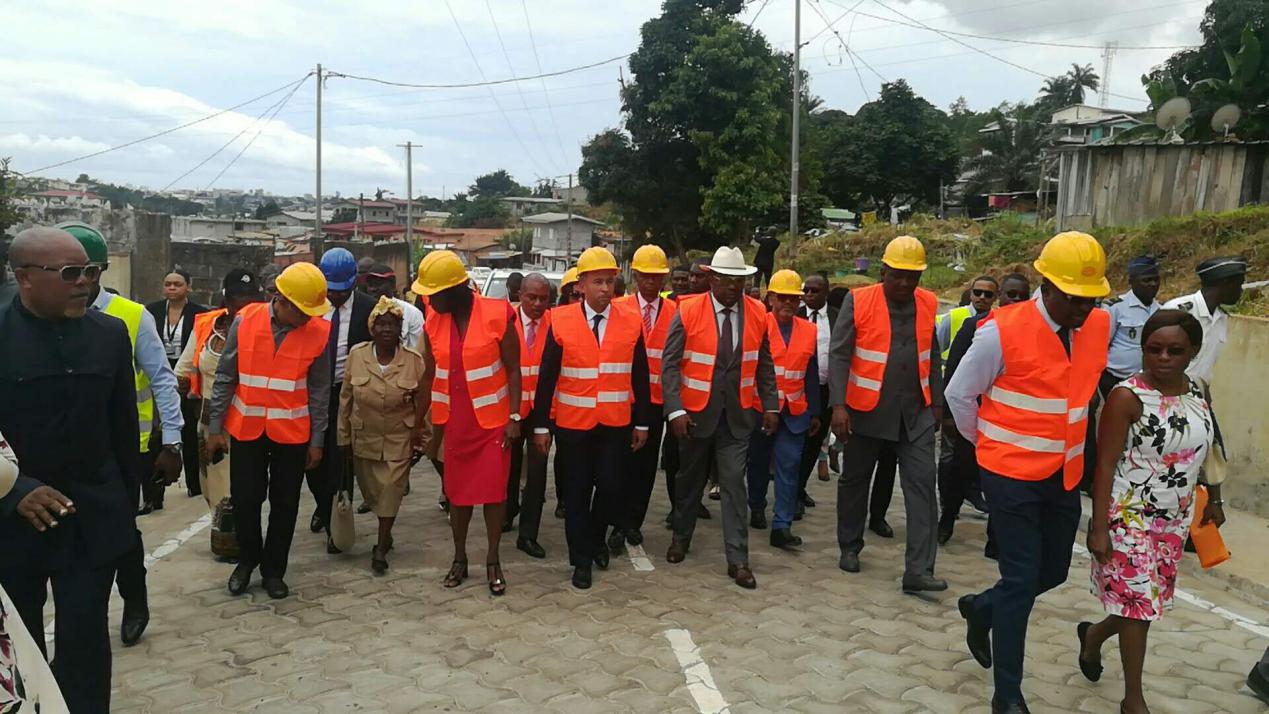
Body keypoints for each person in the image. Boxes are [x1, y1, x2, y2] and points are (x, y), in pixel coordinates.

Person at [946, 231, 1112, 714]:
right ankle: (1008, 695)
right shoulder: (1000, 330)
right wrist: (987, 446)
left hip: (1063, 474)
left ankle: (982, 607)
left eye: (1091, 299)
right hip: (1009, 475)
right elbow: (959, 395)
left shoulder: (1098, 326)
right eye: (1074, 298)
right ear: (1048, 286)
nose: (1084, 308)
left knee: (1052, 571)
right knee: (1020, 581)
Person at [0, 227, 140, 712]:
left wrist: (125, 516)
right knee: (21, 650)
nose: (85, 282)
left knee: (85, 643)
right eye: (70, 273)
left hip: (90, 520)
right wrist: (13, 490)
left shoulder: (110, 334)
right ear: (25, 277)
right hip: (13, 524)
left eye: (91, 271)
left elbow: (123, 431)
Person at [1080, 310, 1217, 714]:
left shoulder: (1199, 390)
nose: (1163, 358)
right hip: (1130, 515)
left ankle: (1094, 636)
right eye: (1154, 349)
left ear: (1193, 351)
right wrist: (1099, 527)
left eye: (1175, 351)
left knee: (1142, 604)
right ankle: (1133, 700)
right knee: (1139, 606)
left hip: (1174, 519)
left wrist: (1216, 499)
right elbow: (1104, 465)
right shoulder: (1127, 397)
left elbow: (1210, 446)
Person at [63, 222, 183, 648]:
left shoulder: (131, 316)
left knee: (121, 531)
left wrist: (172, 442)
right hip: (65, 450)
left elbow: (162, 379)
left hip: (124, 449)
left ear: (97, 272)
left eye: (82, 271)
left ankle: (134, 600)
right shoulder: (45, 315)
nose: (75, 281)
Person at [206, 262, 332, 600]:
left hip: (293, 433)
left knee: (285, 504)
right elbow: (226, 375)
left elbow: (320, 391)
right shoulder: (245, 320)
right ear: (281, 299)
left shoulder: (320, 331)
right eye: (302, 311)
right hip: (247, 428)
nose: (307, 318)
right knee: (246, 500)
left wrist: (317, 441)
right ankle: (248, 560)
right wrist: (215, 428)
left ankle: (274, 571)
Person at [829, 236, 945, 594]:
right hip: (866, 410)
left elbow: (932, 353)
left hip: (915, 414)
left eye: (913, 276)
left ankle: (919, 571)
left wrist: (937, 402)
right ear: (883, 271)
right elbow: (839, 354)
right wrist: (838, 405)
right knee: (855, 481)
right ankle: (850, 545)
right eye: (899, 275)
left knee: (923, 485)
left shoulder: (928, 302)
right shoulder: (858, 300)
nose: (906, 283)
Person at [532, 247, 652, 589]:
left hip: (615, 423)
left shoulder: (631, 320)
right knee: (576, 493)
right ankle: (581, 560)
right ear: (580, 285)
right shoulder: (560, 319)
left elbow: (640, 374)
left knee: (612, 488)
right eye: (597, 282)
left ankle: (595, 538)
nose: (604, 288)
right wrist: (541, 425)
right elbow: (547, 377)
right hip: (573, 426)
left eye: (609, 282)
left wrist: (642, 421)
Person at [662, 246, 778, 590]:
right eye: (726, 279)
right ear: (711, 278)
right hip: (695, 415)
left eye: (738, 280)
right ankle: (681, 537)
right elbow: (670, 365)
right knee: (689, 482)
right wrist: (675, 409)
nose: (732, 286)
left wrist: (771, 405)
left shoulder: (758, 312)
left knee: (733, 484)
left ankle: (738, 560)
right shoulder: (688, 310)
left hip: (737, 416)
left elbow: (765, 364)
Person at [414, 250, 521, 595]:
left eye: (434, 293)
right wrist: (418, 422)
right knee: (457, 496)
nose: (429, 300)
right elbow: (429, 376)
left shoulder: (497, 313)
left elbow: (513, 369)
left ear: (454, 290)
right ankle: (459, 558)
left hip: (493, 423)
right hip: (455, 424)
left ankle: (493, 559)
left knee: (494, 495)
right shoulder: (433, 321)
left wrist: (514, 417)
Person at [940, 272, 1032, 547]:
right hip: (973, 417)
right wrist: (949, 415)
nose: (1015, 300)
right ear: (1000, 296)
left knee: (1002, 482)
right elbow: (954, 371)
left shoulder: (1033, 332)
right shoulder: (976, 326)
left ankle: (995, 538)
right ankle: (946, 521)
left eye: (1022, 296)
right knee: (961, 472)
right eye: (1011, 294)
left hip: (1009, 421)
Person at [338, 297, 426, 575]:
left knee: (391, 490)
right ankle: (385, 532)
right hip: (365, 437)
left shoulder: (414, 361)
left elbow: (424, 404)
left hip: (400, 439)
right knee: (373, 493)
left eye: (393, 324)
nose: (387, 329)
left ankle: (380, 546)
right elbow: (346, 399)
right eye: (381, 324)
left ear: (401, 329)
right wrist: (343, 438)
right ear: (372, 328)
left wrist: (422, 439)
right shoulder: (357, 355)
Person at [175, 268, 261, 513]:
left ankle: (238, 533)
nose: (242, 307)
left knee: (239, 492)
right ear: (226, 298)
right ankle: (221, 531)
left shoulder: (266, 330)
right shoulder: (207, 326)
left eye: (249, 300)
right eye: (236, 299)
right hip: (209, 421)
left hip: (247, 422)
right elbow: (182, 371)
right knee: (213, 489)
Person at [608, 245, 676, 552]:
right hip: (625, 398)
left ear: (664, 279)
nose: (650, 282)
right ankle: (616, 522)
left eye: (656, 276)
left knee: (646, 467)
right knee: (620, 464)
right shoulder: (618, 308)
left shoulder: (675, 312)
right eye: (645, 276)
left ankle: (633, 522)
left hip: (657, 401)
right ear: (634, 276)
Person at [747, 270, 819, 549]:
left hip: (795, 412)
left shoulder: (808, 330)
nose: (789, 303)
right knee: (758, 463)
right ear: (771, 299)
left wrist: (814, 411)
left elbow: (811, 373)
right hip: (761, 410)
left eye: (794, 298)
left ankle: (782, 525)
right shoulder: (759, 325)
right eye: (783, 298)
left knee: (789, 466)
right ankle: (756, 505)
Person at [309, 248, 375, 542]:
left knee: (341, 460)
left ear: (354, 282)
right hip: (313, 395)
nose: (336, 296)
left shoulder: (369, 309)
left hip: (349, 395)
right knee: (314, 460)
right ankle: (323, 505)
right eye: (331, 290)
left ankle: (336, 521)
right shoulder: (310, 306)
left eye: (342, 290)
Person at [1086, 256, 1162, 492]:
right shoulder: (1116, 308)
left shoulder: (1160, 311)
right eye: (1146, 280)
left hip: (1144, 382)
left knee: (1137, 431)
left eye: (1155, 279)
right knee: (1112, 430)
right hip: (1113, 378)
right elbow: (1100, 345)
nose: (1152, 284)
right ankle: (1096, 479)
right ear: (1132, 281)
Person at [147, 269, 208, 499]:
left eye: (177, 284)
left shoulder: (200, 314)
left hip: (187, 375)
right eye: (168, 284)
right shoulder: (151, 311)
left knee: (190, 432)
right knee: (157, 432)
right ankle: (155, 493)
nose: (172, 288)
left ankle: (194, 484)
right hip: (159, 371)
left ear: (188, 287)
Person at [506, 273, 552, 559]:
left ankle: (528, 534)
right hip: (511, 409)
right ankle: (506, 512)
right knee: (508, 468)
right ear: (519, 295)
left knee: (537, 473)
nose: (537, 304)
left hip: (542, 412)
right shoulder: (505, 322)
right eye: (531, 297)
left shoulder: (556, 324)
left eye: (543, 299)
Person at [1161, 256, 1247, 386]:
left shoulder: (1221, 318)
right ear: (1225, 283)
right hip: (1165, 391)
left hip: (1195, 393)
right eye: (1239, 285)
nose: (1241, 291)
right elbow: (1150, 354)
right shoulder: (1178, 310)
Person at [796, 274, 835, 512]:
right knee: (796, 443)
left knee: (814, 443)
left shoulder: (838, 317)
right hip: (798, 389)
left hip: (826, 391)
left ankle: (799, 488)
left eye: (815, 291)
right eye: (806, 290)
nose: (809, 295)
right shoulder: (796, 314)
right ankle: (792, 493)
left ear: (826, 293)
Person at [361, 262, 424, 350]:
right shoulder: (361, 311)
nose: (373, 289)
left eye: (378, 284)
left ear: (393, 285)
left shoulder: (412, 313)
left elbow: (418, 351)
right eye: (370, 285)